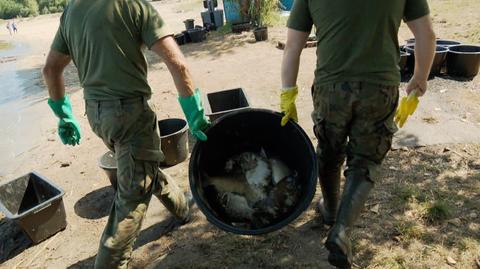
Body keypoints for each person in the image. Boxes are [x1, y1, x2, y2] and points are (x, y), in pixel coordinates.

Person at [42, 0, 210, 267]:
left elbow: (51, 69)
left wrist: (64, 114)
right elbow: (177, 64)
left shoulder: (73, 10)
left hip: (97, 115)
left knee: (141, 165)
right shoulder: (134, 5)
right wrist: (195, 113)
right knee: (131, 203)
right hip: (130, 116)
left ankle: (181, 208)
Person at [280, 1, 436, 268]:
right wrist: (420, 78)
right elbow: (427, 34)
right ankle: (341, 230)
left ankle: (329, 209)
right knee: (365, 160)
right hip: (380, 87)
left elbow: (293, 46)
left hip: (331, 87)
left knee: (329, 151)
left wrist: (288, 92)